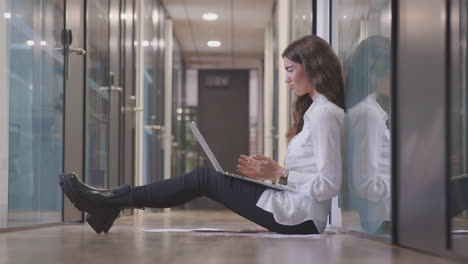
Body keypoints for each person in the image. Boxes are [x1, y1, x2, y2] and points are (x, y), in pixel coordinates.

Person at [59, 35, 345, 235]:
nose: (287, 79)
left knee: (203, 179)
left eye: (290, 70)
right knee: (208, 178)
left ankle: (110, 201)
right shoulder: (315, 113)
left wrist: (279, 172)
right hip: (295, 210)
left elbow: (329, 186)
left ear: (313, 67)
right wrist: (272, 174)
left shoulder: (325, 115)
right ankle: (111, 204)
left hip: (301, 218)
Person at [344, 36, 391, 234]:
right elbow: (365, 184)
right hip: (382, 221)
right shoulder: (367, 115)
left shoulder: (368, 111)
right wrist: (411, 181)